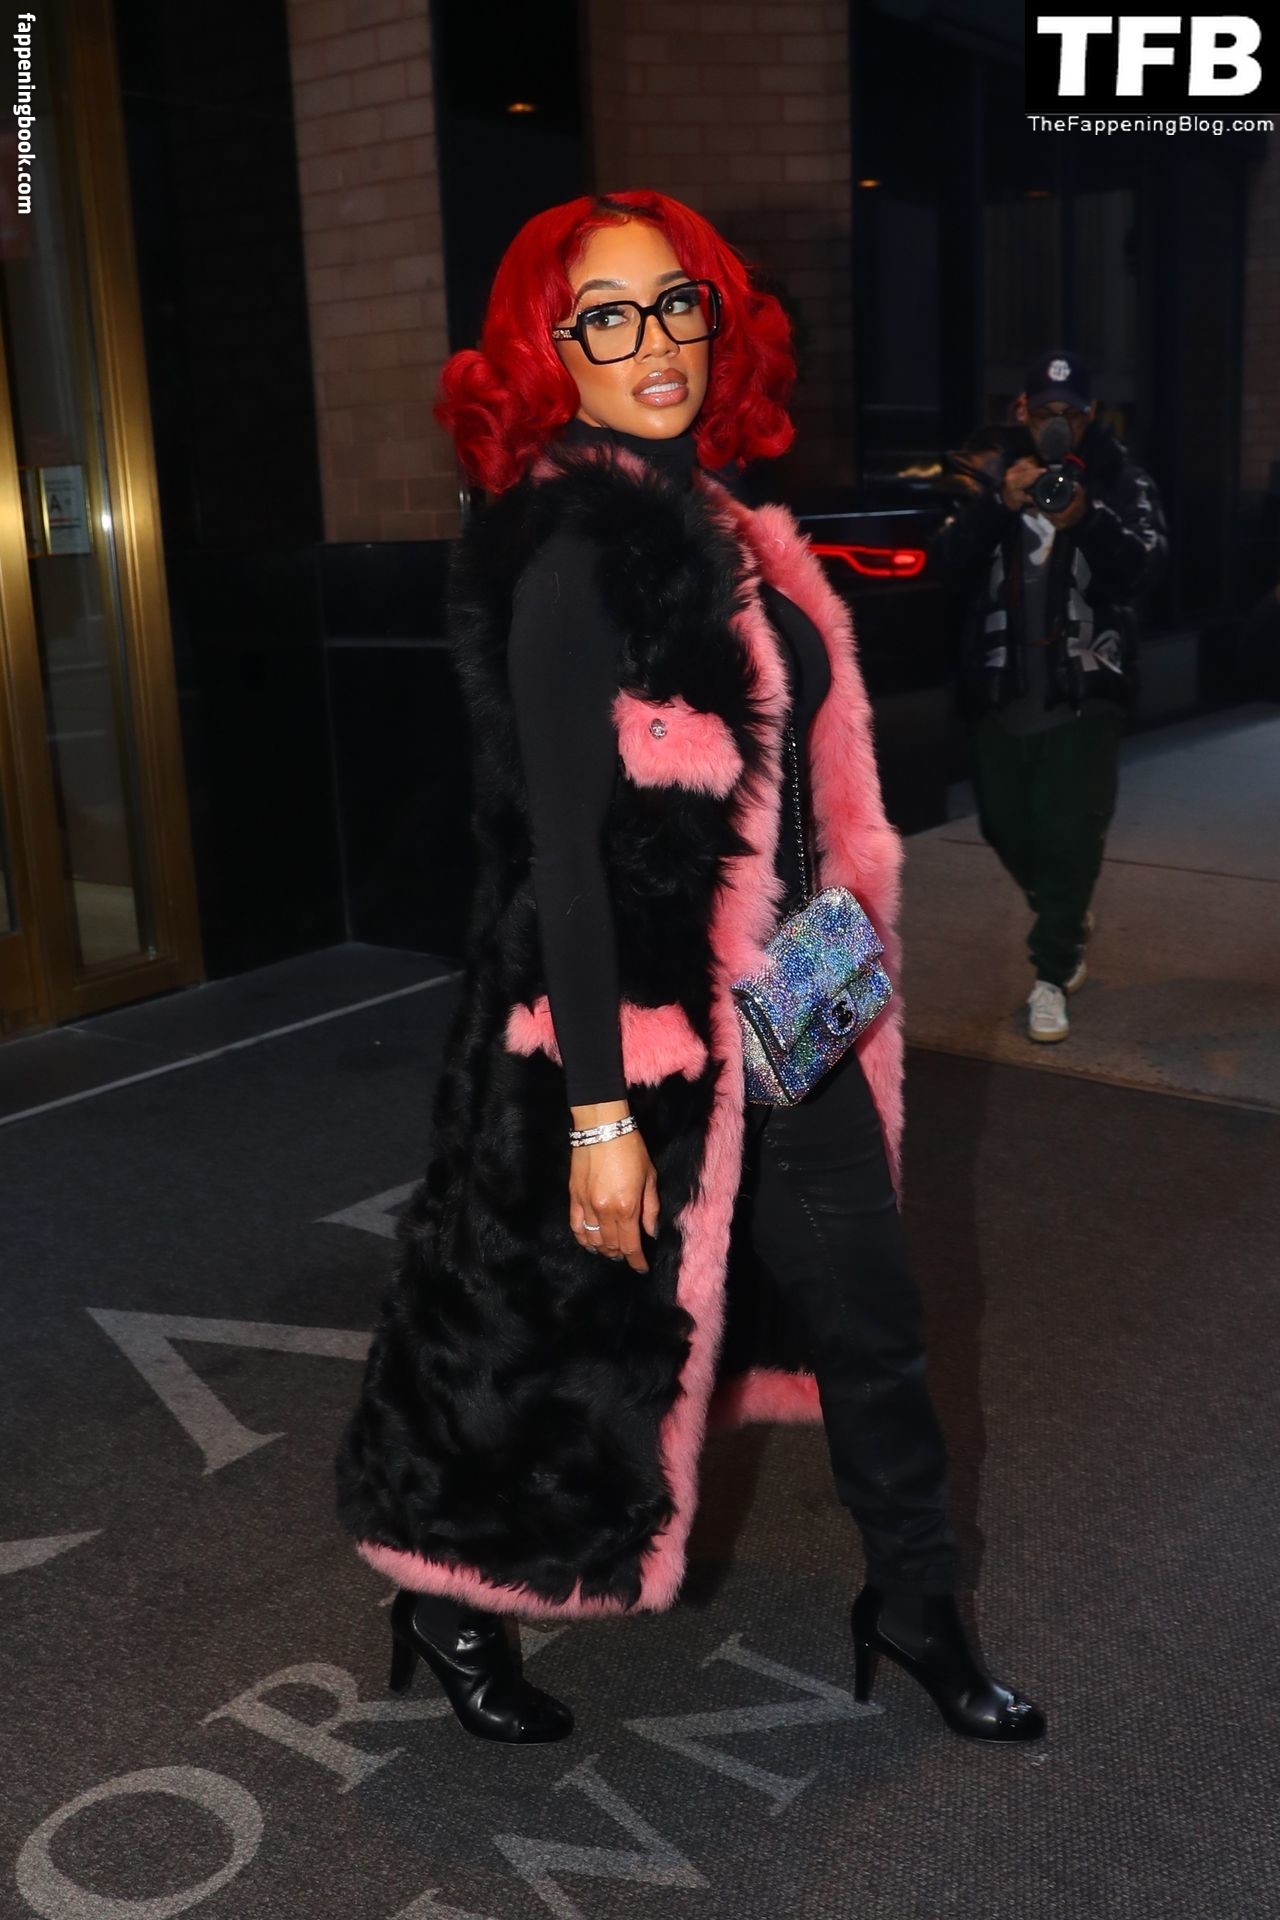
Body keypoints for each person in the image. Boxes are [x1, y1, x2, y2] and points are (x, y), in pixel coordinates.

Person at [335, 190, 1043, 1748]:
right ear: (548, 351)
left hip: (797, 990)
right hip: (638, 1027)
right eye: (606, 316)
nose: (653, 343)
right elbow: (559, 860)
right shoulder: (570, 555)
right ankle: (449, 1601)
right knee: (552, 1344)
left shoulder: (726, 524)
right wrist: (600, 1113)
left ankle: (916, 1602)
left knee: (873, 1312)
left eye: (677, 305)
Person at [930, 353, 1168, 1042]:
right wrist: (999, 503)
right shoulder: (989, 477)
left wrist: (1087, 517)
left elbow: (1146, 567)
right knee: (1005, 824)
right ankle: (1064, 902)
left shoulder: (1122, 479)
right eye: (1044, 412)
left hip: (1086, 686)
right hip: (999, 685)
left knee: (1069, 830)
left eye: (1071, 412)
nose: (1057, 424)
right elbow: (944, 565)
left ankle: (1052, 973)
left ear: (1091, 417)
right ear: (1022, 412)